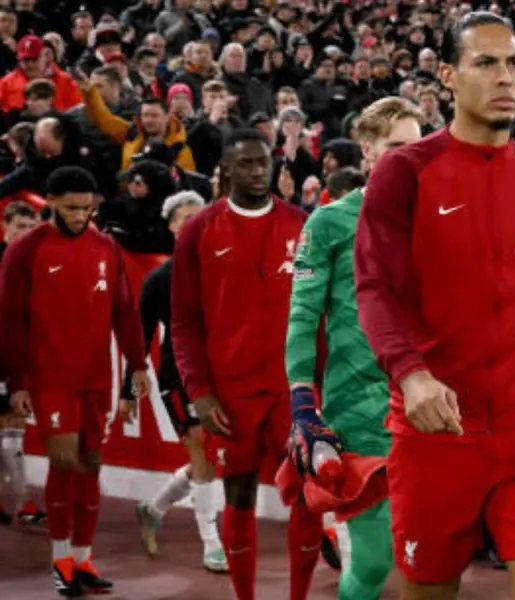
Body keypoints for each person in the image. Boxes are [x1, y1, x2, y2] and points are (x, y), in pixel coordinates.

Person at [355, 12, 515, 600]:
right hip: (435, 433)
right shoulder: (404, 173)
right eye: (486, 63)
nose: (506, 78)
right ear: (449, 77)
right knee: (426, 590)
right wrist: (413, 374)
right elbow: (375, 289)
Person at [170, 129, 318, 600]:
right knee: (240, 495)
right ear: (226, 170)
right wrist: (200, 391)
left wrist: (319, 386)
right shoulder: (198, 230)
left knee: (307, 496)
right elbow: (184, 322)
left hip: (291, 388)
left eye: (264, 164)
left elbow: (321, 314)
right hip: (229, 391)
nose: (258, 172)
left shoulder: (302, 224)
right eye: (247, 164)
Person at [285, 96, 423, 600]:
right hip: (360, 410)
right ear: (368, 153)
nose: (411, 158)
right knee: (372, 560)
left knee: (431, 556)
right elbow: (302, 317)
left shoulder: (442, 220)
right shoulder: (327, 224)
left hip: (433, 404)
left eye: (418, 147)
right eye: (396, 148)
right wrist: (303, 399)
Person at [0, 166, 150, 597]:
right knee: (64, 461)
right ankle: (60, 559)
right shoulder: (26, 250)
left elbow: (124, 311)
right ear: (50, 204)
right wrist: (19, 381)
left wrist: (138, 365)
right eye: (71, 208)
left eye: (87, 208)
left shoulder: (106, 247)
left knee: (90, 465)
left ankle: (83, 558)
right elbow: (10, 320)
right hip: (50, 378)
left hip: (95, 377)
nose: (81, 215)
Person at [130, 190, 227, 572]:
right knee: (201, 449)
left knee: (208, 459)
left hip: (221, 373)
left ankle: (152, 509)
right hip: (179, 376)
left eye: (198, 216)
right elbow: (140, 336)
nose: (192, 223)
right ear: (171, 227)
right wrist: (127, 390)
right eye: (184, 217)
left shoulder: (224, 267)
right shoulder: (160, 279)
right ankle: (211, 542)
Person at [0, 200, 44, 526]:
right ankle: (23, 498)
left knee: (14, 429)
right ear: (5, 227)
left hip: (24, 355)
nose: (25, 235)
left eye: (31, 229)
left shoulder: (41, 262)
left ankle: (23, 500)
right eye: (19, 228)